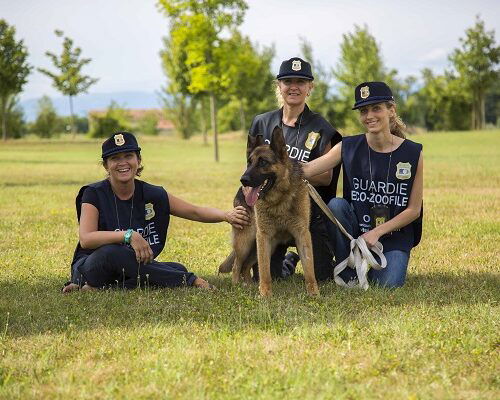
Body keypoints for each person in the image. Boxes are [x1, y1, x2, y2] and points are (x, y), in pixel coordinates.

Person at [62, 131, 249, 293]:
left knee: (175, 267)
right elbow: (86, 238)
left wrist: (226, 216)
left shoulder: (152, 194)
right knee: (113, 252)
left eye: (128, 156)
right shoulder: (93, 194)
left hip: (131, 267)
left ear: (138, 160)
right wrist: (127, 236)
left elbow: (194, 211)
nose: (123, 163)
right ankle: (190, 280)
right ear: (106, 166)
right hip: (93, 266)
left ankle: (95, 288)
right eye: (115, 158)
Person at [303, 81, 423, 288]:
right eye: (363, 110)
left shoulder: (413, 152)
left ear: (391, 110)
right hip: (356, 230)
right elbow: (307, 169)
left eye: (376, 108)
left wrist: (377, 232)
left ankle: (381, 259)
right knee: (337, 205)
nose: (369, 116)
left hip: (394, 234)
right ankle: (348, 267)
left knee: (386, 285)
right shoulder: (348, 146)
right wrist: (271, 165)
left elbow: (413, 210)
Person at [246, 57, 342, 281]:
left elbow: (326, 176)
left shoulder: (321, 127)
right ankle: (288, 262)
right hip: (270, 211)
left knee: (322, 278)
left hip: (307, 214)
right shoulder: (261, 123)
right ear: (279, 86)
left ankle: (307, 254)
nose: (294, 87)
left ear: (310, 87)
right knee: (268, 275)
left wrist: (286, 174)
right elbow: (250, 169)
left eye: (301, 81)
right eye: (288, 81)